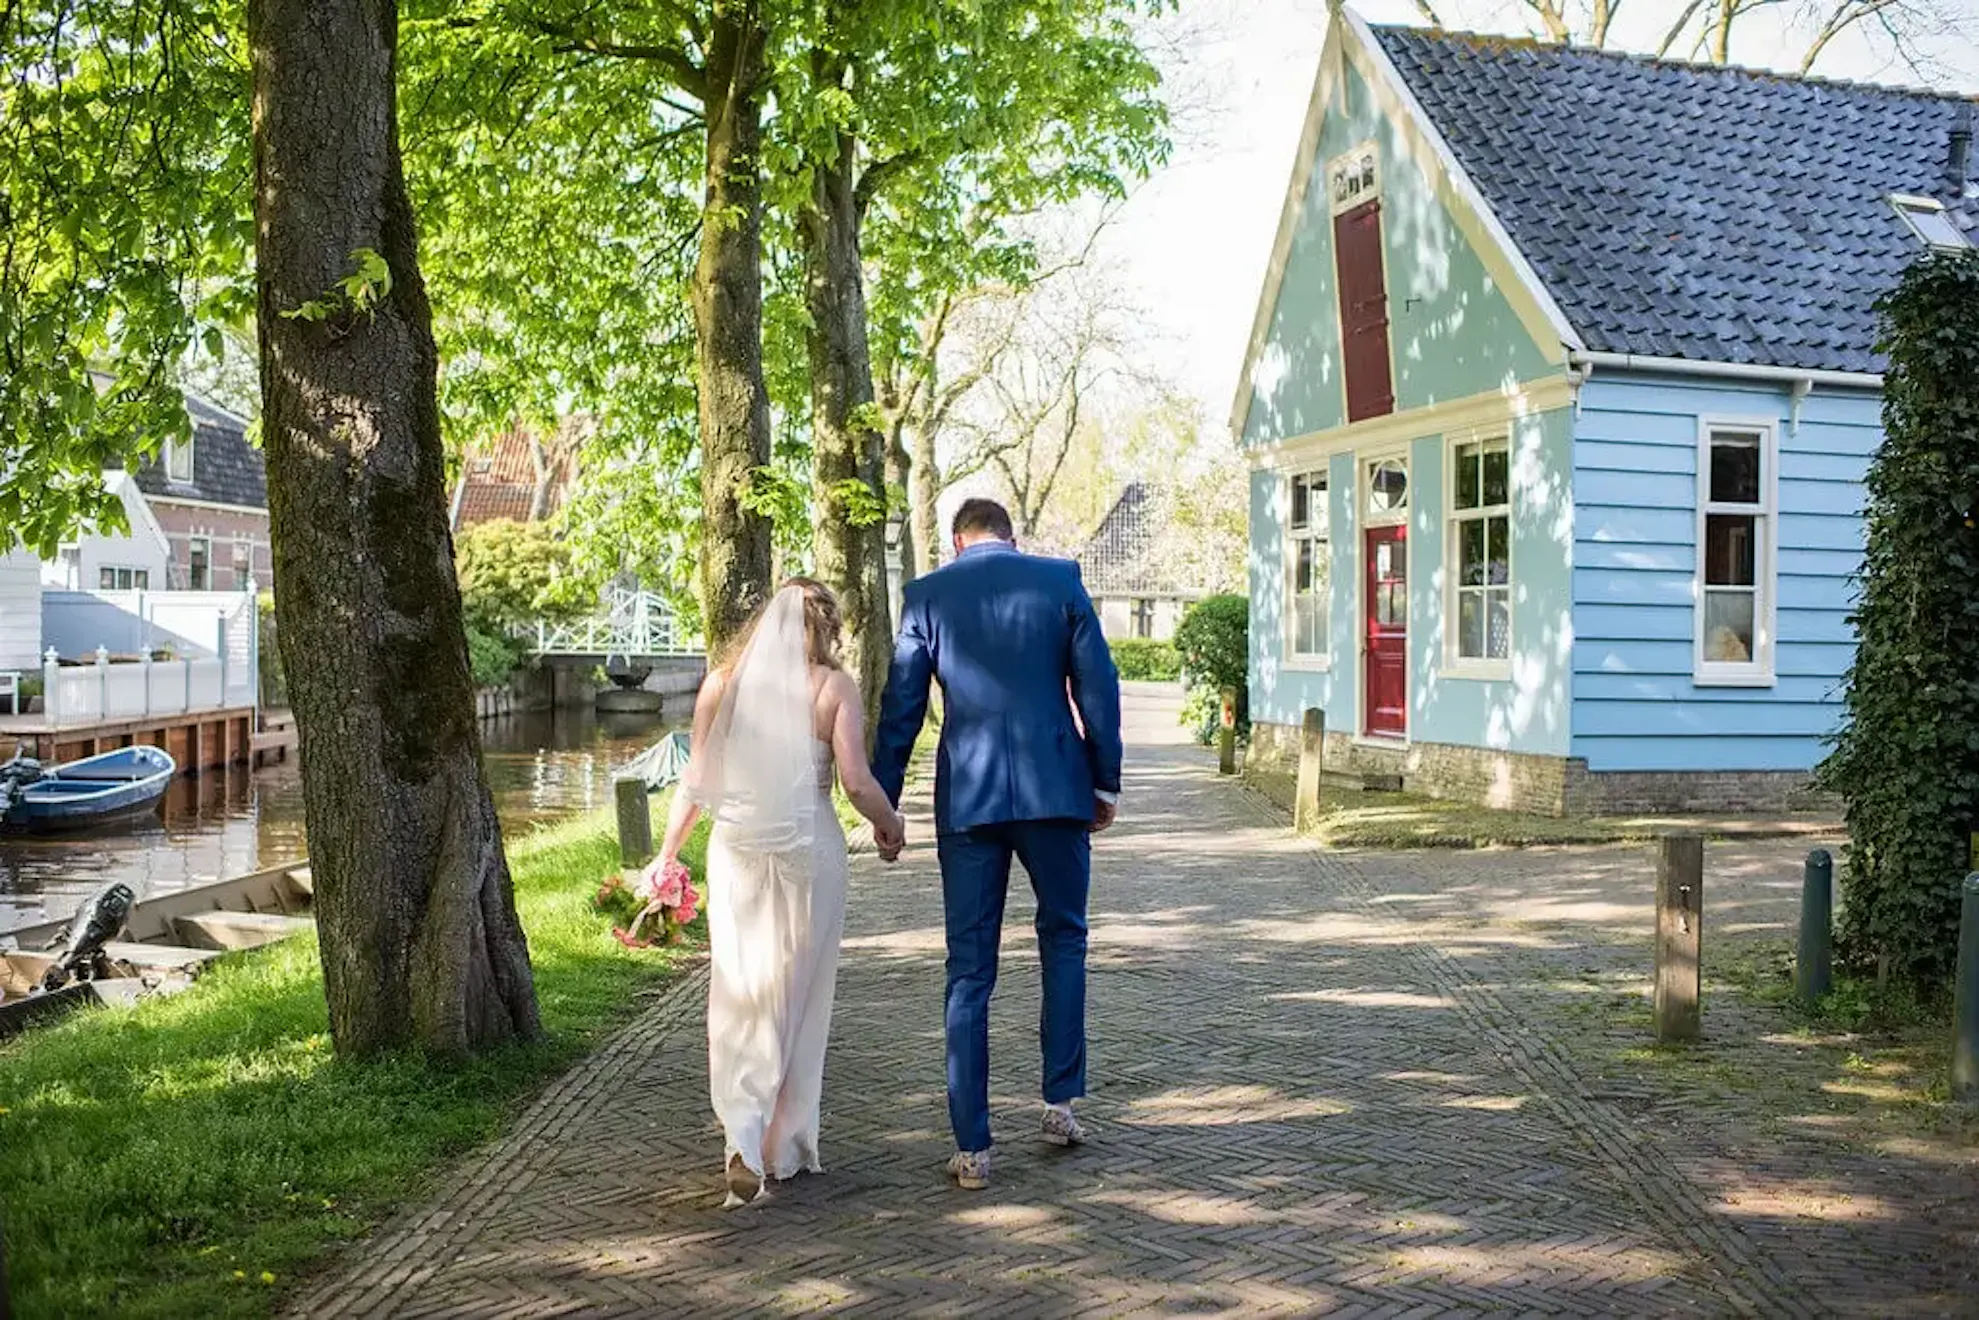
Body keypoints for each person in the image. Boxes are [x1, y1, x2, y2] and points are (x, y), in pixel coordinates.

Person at [870, 498, 1124, 1191]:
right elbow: (1097, 686)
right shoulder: (1060, 581)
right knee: (1064, 938)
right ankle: (1059, 1103)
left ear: (956, 541)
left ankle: (972, 1147)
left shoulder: (926, 596)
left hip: (970, 799)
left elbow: (903, 707)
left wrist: (883, 803)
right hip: (1055, 792)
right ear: (1013, 537)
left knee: (968, 969)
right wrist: (1105, 783)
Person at [654, 578, 906, 1207]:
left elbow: (696, 781)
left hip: (736, 850)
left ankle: (742, 1134)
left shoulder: (722, 683)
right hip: (808, 855)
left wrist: (666, 854)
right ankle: (782, 1144)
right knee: (799, 992)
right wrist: (890, 824)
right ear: (828, 627)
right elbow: (854, 780)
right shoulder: (832, 687)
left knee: (738, 989)